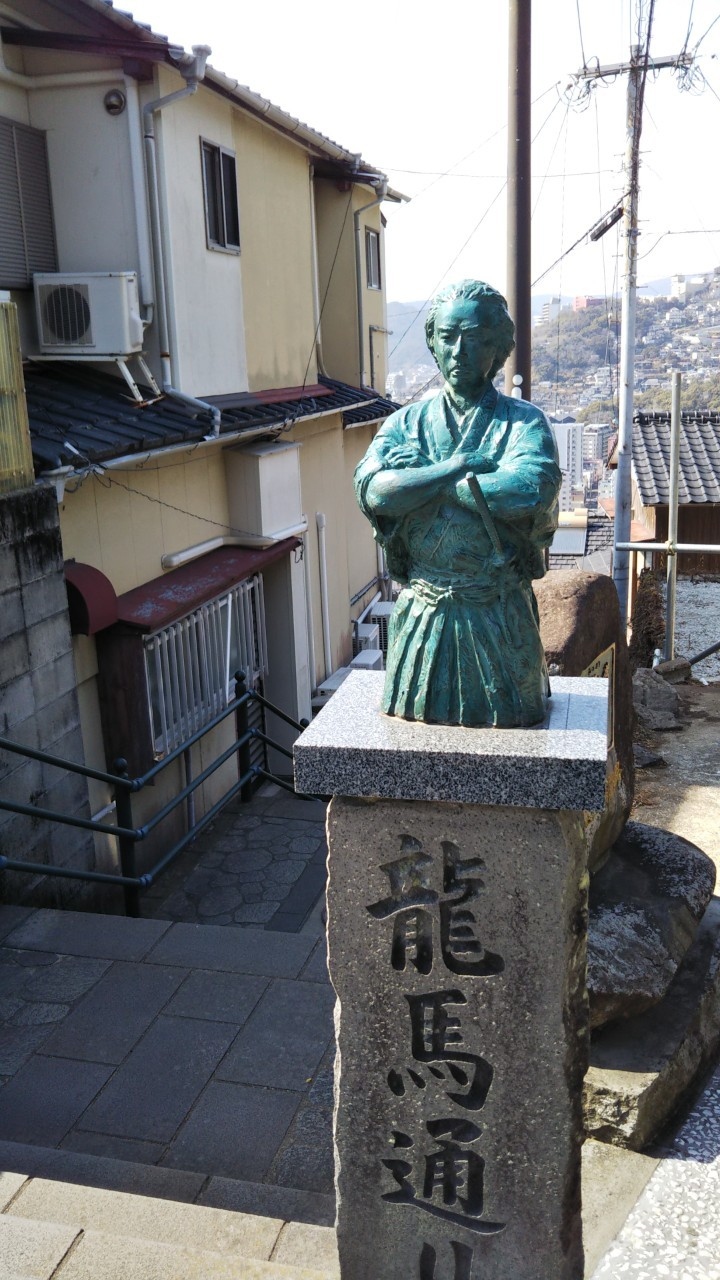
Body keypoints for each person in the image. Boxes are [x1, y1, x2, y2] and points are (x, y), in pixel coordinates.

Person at [354, 279, 561, 728]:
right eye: (447, 337)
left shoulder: (524, 423)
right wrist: (457, 467)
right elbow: (377, 491)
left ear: (497, 346)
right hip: (425, 611)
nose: (459, 350)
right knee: (413, 716)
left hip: (497, 610)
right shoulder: (405, 423)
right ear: (433, 343)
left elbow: (530, 489)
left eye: (474, 337)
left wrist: (426, 477)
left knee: (513, 720)